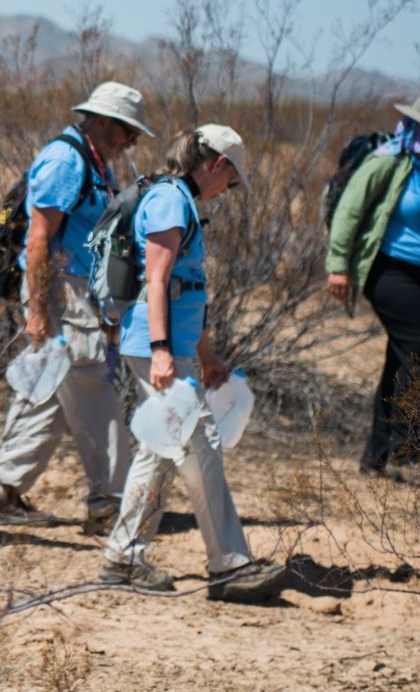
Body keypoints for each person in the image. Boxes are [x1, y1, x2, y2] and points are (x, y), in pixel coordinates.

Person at [98, 125, 286, 603]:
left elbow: (187, 290)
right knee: (199, 446)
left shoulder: (179, 201)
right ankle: (229, 566)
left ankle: (123, 556)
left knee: (160, 452)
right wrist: (163, 350)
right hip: (155, 344)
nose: (229, 190)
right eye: (232, 179)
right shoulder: (169, 201)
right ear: (217, 164)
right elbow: (157, 282)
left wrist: (204, 356)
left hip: (171, 345)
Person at [0, 82, 152, 531]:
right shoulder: (66, 160)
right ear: (102, 121)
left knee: (53, 393)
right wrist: (38, 309)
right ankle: (110, 501)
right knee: (93, 390)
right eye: (126, 130)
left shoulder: (94, 165)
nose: (131, 141)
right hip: (61, 292)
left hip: (81, 294)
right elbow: (38, 239)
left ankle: (1, 490)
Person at [326, 86, 420, 480]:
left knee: (402, 360)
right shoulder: (389, 160)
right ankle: (407, 450)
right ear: (419, 126)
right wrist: (338, 265)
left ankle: (375, 459)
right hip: (391, 271)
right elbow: (349, 210)